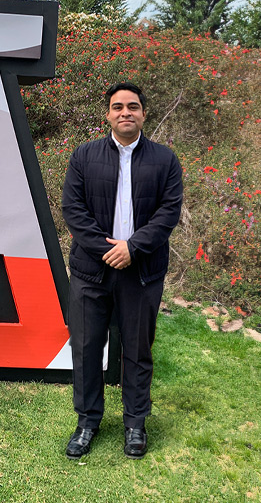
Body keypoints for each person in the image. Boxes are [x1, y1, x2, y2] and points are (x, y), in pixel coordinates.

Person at [61, 81, 183, 459]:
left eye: (132, 106)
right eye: (118, 107)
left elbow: (168, 212)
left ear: (144, 113)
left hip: (142, 271)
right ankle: (87, 422)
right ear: (108, 114)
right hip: (90, 271)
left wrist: (132, 247)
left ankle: (135, 424)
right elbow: (73, 210)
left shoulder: (165, 160)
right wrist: (108, 251)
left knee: (137, 350)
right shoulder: (84, 156)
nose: (125, 112)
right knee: (85, 348)